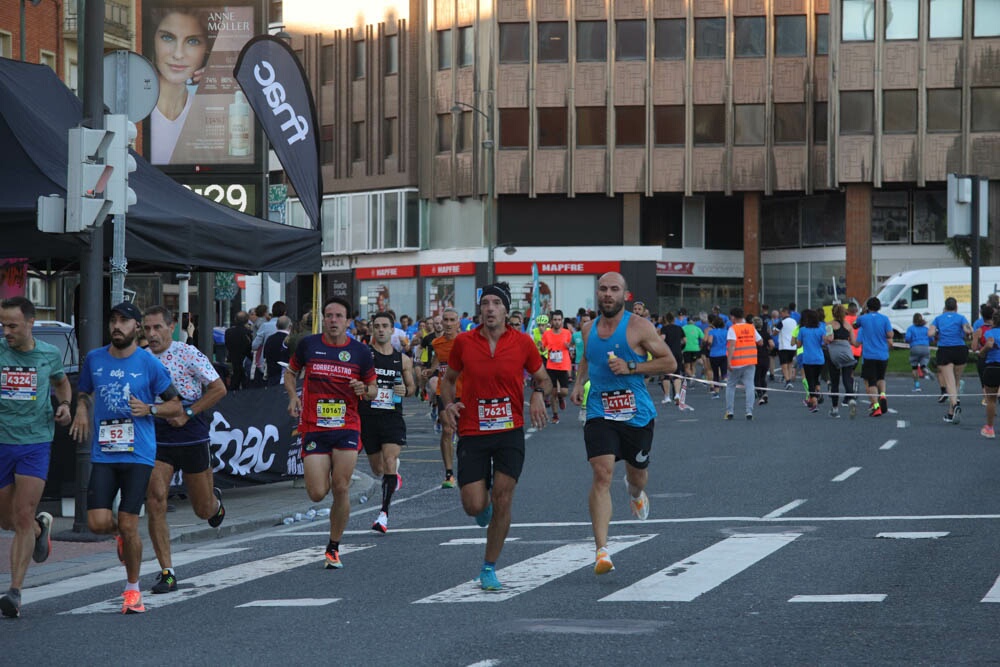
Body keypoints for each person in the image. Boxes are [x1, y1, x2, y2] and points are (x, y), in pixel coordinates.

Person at [69, 302, 182, 614]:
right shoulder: (95, 359)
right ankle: (123, 538)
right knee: (98, 522)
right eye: (113, 321)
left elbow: (177, 406)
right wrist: (81, 407)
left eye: (124, 321)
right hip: (104, 453)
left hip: (139, 454)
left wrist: (151, 409)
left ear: (137, 327)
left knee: (130, 523)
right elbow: (85, 390)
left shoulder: (149, 363)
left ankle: (132, 590)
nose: (116, 326)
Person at [439, 282, 551, 591]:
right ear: (480, 310)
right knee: (474, 505)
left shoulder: (523, 343)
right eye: (485, 303)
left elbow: (542, 378)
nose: (489, 308)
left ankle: (489, 566)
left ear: (505, 310)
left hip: (509, 432)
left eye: (495, 303)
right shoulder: (463, 342)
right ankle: (482, 507)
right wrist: (448, 404)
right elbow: (448, 380)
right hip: (473, 430)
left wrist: (539, 394)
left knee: (504, 497)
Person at [570, 272, 675, 576]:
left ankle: (635, 494)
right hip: (600, 411)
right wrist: (579, 383)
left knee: (637, 475)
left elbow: (669, 363)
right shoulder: (588, 329)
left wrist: (633, 366)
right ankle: (602, 550)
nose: (607, 294)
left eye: (614, 289)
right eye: (603, 289)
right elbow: (587, 359)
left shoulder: (639, 327)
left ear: (624, 295)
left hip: (636, 415)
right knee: (602, 474)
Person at [141, 305, 227, 595]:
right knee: (155, 500)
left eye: (157, 328)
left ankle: (214, 502)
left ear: (171, 327)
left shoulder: (187, 352)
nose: (151, 334)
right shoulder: (139, 357)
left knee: (203, 511)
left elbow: (218, 389)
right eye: (147, 328)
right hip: (156, 431)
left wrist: (188, 412)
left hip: (190, 431)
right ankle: (167, 572)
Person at [285, 297, 377, 569]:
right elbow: (290, 373)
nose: (333, 320)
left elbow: (373, 389)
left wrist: (364, 390)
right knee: (316, 493)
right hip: (315, 426)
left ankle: (334, 547)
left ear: (348, 321)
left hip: (347, 425)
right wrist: (293, 396)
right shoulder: (309, 345)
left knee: (341, 486)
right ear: (323, 319)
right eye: (329, 315)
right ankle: (323, 475)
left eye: (339, 316)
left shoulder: (360, 352)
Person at [0, 297, 73, 618]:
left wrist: (65, 405)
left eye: (13, 325)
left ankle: (14, 592)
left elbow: (61, 382)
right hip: (2, 442)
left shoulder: (49, 354)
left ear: (30, 323)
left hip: (36, 442)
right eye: (3, 325)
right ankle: (41, 530)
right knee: (8, 520)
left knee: (23, 514)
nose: (7, 332)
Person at [359, 312, 415, 534]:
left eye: (385, 326)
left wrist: (406, 390)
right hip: (369, 418)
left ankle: (383, 515)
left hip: (392, 417)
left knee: (390, 460)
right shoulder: (364, 356)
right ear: (372, 330)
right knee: (378, 469)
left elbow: (412, 388)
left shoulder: (403, 359)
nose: (381, 330)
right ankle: (393, 477)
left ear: (393, 330)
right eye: (377, 326)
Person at [149, 8, 210, 165]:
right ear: (152, 40)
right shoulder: (133, 110)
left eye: (193, 41)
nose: (178, 54)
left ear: (206, 50)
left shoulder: (206, 113)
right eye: (167, 38)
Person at [424, 309, 462, 487]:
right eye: (445, 320)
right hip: (443, 391)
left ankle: (469, 466)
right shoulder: (436, 343)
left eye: (451, 320)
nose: (448, 323)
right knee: (447, 429)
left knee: (464, 432)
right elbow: (438, 360)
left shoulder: (465, 342)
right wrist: (431, 371)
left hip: (463, 392)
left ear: (457, 323)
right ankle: (449, 474)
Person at [928, 297, 972, 424]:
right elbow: (967, 329)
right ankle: (951, 413)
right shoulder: (961, 318)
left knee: (949, 382)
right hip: (960, 349)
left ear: (945, 307)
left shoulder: (938, 319)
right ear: (956, 307)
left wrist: (937, 332)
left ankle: (955, 406)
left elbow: (930, 333)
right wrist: (967, 332)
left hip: (945, 350)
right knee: (956, 381)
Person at [852, 297, 894, 417]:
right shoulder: (885, 319)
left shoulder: (863, 319)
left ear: (868, 307)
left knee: (871, 382)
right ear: (879, 307)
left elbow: (855, 325)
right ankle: (883, 395)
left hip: (869, 355)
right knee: (881, 378)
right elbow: (890, 334)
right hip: (882, 354)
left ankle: (876, 406)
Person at [725, 307, 762, 420]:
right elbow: (760, 342)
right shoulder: (751, 327)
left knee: (731, 386)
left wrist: (729, 361)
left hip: (736, 362)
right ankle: (749, 411)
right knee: (749, 386)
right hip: (750, 361)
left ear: (733, 317)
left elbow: (732, 345)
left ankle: (730, 411)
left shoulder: (733, 329)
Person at [541, 310, 573, 423]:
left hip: (563, 365)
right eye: (555, 320)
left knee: (564, 391)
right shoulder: (547, 334)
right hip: (551, 366)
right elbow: (543, 349)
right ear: (552, 321)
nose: (557, 322)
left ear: (562, 320)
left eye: (559, 320)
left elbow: (571, 347)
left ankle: (561, 397)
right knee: (552, 392)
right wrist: (541, 347)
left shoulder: (567, 333)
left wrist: (569, 346)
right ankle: (555, 416)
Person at [826, 304, 858, 418]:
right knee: (847, 378)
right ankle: (851, 399)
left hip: (835, 352)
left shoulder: (829, 324)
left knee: (835, 381)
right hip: (847, 352)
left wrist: (824, 338)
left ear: (833, 313)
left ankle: (835, 409)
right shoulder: (848, 326)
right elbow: (854, 342)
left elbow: (829, 339)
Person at [794, 309, 826, 414]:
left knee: (810, 381)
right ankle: (818, 393)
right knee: (816, 379)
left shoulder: (803, 330)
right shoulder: (821, 330)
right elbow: (823, 343)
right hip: (819, 358)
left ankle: (814, 403)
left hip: (808, 359)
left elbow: (798, 345)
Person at [977, 310, 1000, 438]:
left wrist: (985, 348)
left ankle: (990, 428)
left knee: (991, 400)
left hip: (992, 367)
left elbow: (982, 353)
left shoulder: (989, 333)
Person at [659, 312, 685, 405]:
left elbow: (662, 338)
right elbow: (684, 340)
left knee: (666, 375)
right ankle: (677, 394)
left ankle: (667, 396)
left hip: (668, 353)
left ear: (665, 319)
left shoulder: (664, 329)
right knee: (677, 373)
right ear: (674, 319)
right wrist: (681, 347)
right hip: (678, 352)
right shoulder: (679, 328)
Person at [224, 311, 252, 390]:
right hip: (244, 360)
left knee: (234, 382)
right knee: (245, 383)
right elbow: (249, 347)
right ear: (247, 320)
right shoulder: (247, 332)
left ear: (235, 319)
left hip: (232, 360)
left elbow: (227, 344)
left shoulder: (228, 332)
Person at [263, 315, 291, 387]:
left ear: (276, 326)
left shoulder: (270, 339)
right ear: (290, 326)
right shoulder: (289, 340)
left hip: (272, 373)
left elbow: (265, 355)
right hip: (286, 375)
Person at [905, 313, 930, 392]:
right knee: (925, 358)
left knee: (914, 367)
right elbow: (931, 338)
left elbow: (908, 338)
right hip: (925, 347)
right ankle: (924, 367)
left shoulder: (911, 328)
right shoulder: (926, 329)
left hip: (915, 347)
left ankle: (917, 386)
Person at [705, 316, 728, 399]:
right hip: (724, 354)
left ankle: (716, 392)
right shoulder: (726, 331)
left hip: (714, 355)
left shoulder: (712, 332)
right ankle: (726, 382)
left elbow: (710, 341)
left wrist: (708, 346)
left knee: (715, 374)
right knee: (724, 372)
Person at [775, 307, 798, 389]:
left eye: (781, 313)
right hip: (792, 346)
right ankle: (789, 379)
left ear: (785, 312)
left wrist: (773, 329)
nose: (781, 314)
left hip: (784, 346)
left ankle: (787, 380)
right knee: (790, 364)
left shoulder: (781, 322)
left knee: (784, 364)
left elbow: (775, 332)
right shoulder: (794, 321)